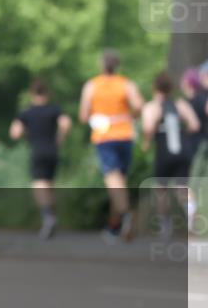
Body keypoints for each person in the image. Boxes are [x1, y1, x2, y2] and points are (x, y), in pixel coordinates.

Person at [78, 50, 144, 243]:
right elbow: (139, 105)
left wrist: (96, 117)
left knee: (113, 179)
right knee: (120, 182)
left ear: (101, 65)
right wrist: (131, 116)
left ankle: (125, 213)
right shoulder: (126, 84)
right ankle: (114, 227)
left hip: (104, 137)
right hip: (125, 135)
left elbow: (83, 115)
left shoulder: (92, 86)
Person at [9, 78, 71, 239]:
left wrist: (26, 134)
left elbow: (14, 133)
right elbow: (66, 124)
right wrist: (61, 138)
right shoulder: (54, 109)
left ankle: (48, 216)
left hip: (37, 150)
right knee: (49, 185)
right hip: (53, 150)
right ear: (47, 93)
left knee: (39, 184)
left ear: (32, 94)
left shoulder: (27, 112)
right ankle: (52, 217)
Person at [141, 72, 201, 237]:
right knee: (183, 187)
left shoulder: (152, 107)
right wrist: (183, 132)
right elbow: (195, 125)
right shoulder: (181, 104)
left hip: (164, 153)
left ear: (155, 88)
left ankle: (164, 226)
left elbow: (147, 129)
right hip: (183, 151)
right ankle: (192, 217)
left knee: (162, 189)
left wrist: (149, 138)